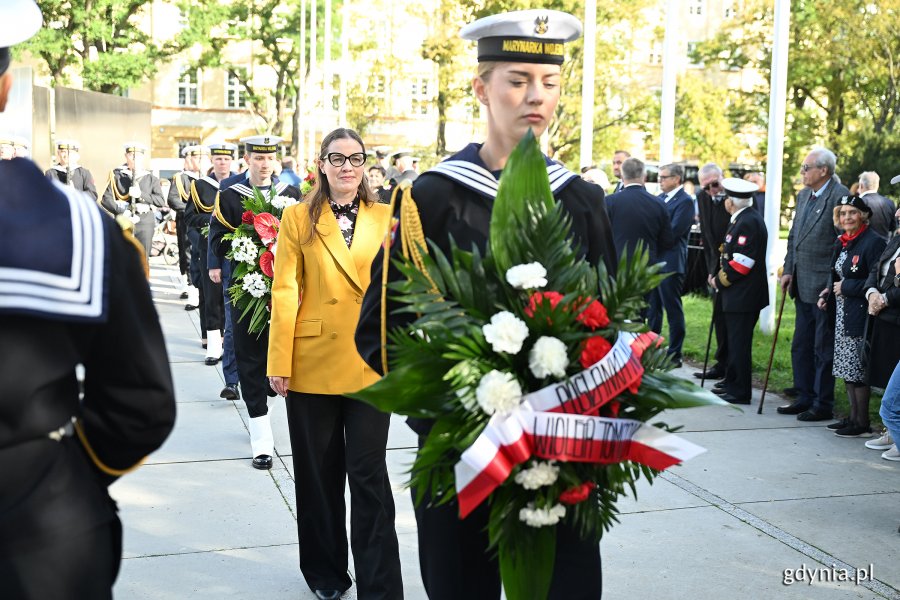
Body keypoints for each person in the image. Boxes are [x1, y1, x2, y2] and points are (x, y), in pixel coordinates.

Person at [355, 10, 616, 600]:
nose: (536, 97)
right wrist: (451, 406)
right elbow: (380, 327)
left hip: (561, 451)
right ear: (481, 87)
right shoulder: (432, 197)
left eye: (549, 83)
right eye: (517, 80)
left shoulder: (580, 198)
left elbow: (613, 320)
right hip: (459, 450)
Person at [0, 3, 176, 596]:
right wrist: (64, 471)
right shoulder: (83, 231)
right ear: (5, 89)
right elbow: (142, 403)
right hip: (41, 530)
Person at [267, 128, 401, 600]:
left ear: (366, 166)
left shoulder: (388, 218)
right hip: (312, 362)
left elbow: (400, 292)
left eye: (356, 158)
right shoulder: (297, 218)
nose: (347, 166)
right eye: (337, 158)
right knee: (318, 478)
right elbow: (284, 290)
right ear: (321, 164)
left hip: (369, 364)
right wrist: (277, 359)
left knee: (369, 477)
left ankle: (380, 584)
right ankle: (326, 575)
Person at [208, 135, 301, 470]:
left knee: (278, 364)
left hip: (287, 293)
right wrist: (247, 243)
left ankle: (265, 398)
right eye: (258, 158)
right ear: (246, 159)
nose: (264, 164)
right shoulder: (231, 196)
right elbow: (216, 238)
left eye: (270, 158)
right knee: (249, 358)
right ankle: (261, 441)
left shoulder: (290, 195)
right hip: (248, 291)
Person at [778, 148, 850, 421]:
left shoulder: (839, 196)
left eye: (806, 167)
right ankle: (804, 395)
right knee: (801, 344)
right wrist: (788, 268)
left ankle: (822, 403)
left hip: (823, 286)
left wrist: (832, 282)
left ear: (823, 170)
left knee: (822, 347)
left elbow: (843, 244)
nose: (802, 172)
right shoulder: (804, 194)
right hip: (800, 280)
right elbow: (794, 234)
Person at [818, 195, 885, 437]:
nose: (847, 217)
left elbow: (875, 281)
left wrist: (845, 288)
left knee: (857, 370)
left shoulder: (873, 242)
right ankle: (852, 418)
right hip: (841, 315)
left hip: (859, 314)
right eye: (843, 213)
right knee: (846, 368)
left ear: (863, 215)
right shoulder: (842, 241)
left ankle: (862, 423)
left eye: (852, 212)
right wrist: (828, 291)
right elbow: (836, 273)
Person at [710, 178, 769, 404]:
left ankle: (740, 390)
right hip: (736, 294)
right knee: (734, 343)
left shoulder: (747, 222)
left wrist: (719, 281)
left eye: (727, 198)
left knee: (739, 344)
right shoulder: (742, 219)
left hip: (743, 295)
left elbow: (743, 262)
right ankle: (732, 383)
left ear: (731, 202)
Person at [184, 144, 230, 368]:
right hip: (208, 248)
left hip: (233, 249)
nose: (222, 163)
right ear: (212, 160)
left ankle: (229, 343)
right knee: (211, 297)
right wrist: (211, 221)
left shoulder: (238, 185)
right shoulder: (200, 186)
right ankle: (213, 345)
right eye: (219, 159)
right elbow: (189, 217)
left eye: (226, 159)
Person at [648, 163, 694, 366]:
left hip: (671, 262)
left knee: (672, 308)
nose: (660, 180)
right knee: (653, 309)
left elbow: (675, 231)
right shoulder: (659, 199)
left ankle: (675, 353)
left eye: (664, 177)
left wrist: (652, 236)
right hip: (656, 261)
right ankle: (652, 347)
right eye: (660, 177)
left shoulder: (685, 201)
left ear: (676, 179)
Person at [864, 212, 900, 457]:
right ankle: (892, 431)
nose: (897, 213)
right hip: (884, 316)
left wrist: (886, 298)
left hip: (895, 313)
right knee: (889, 379)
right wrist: (872, 294)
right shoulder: (896, 238)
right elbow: (877, 268)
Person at [694, 163, 731, 381]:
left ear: (722, 178)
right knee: (718, 316)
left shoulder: (735, 197)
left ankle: (731, 366)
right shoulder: (702, 197)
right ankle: (721, 362)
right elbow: (708, 237)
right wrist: (711, 270)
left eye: (715, 185)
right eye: (706, 187)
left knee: (730, 318)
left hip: (733, 265)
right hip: (714, 264)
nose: (712, 191)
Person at [605, 157, 674, 267]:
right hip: (647, 268)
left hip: (616, 265)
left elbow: (603, 235)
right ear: (644, 177)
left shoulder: (609, 202)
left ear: (622, 177)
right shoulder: (659, 204)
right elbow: (667, 241)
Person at [100, 142, 166, 255]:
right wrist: (122, 211)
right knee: (122, 256)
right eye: (131, 155)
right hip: (124, 219)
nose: (135, 158)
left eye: (138, 156)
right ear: (126, 156)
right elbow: (106, 199)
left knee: (143, 257)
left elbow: (160, 201)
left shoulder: (151, 178)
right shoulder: (117, 176)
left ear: (143, 157)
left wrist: (141, 194)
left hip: (144, 221)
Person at [168, 145, 205, 298]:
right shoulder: (181, 178)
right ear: (189, 159)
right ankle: (188, 284)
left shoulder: (208, 178)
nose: (200, 161)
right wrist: (191, 211)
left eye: (203, 158)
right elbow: (173, 199)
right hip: (187, 221)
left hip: (205, 222)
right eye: (197, 158)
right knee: (187, 253)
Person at [856, 171, 895, 241]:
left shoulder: (859, 202)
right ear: (877, 185)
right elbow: (893, 227)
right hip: (885, 247)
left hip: (864, 247)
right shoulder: (889, 202)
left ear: (861, 186)